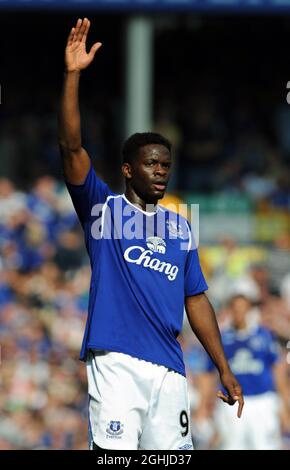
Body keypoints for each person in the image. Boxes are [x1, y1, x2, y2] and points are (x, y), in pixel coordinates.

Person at [58, 17, 244, 451]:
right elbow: (70, 147)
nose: (160, 171)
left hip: (170, 369)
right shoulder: (103, 210)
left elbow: (195, 299)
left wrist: (223, 367)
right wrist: (72, 75)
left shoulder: (180, 227)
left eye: (165, 165)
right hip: (117, 363)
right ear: (127, 169)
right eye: (151, 164)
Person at [203, 294, 288, 450]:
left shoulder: (264, 336)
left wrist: (283, 405)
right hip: (233, 404)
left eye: (243, 309)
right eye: (235, 309)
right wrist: (205, 404)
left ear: (249, 311)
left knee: (265, 446)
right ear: (230, 311)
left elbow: (277, 370)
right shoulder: (222, 339)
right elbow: (209, 373)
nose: (239, 313)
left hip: (262, 401)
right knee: (232, 446)